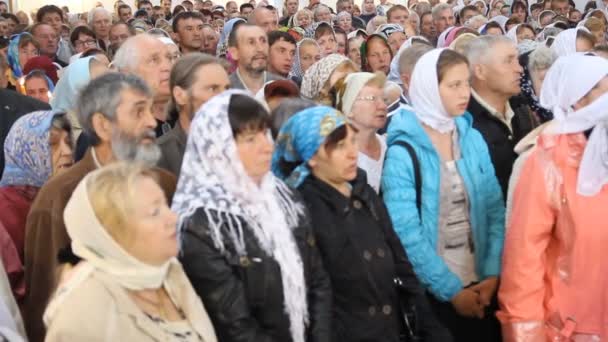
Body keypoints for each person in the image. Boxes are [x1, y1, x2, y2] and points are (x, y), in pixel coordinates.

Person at [22, 73, 178, 342]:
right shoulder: (59, 198)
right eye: (139, 112)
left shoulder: (163, 183)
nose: (152, 121)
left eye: (150, 110)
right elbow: (45, 303)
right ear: (103, 125)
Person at [174, 90, 332, 342]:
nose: (266, 145)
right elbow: (233, 322)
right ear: (218, 150)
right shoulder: (202, 225)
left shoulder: (285, 197)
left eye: (265, 133)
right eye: (250, 139)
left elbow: (318, 279)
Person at [382, 48, 505, 341]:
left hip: (484, 286)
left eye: (466, 83)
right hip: (436, 295)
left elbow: (494, 208)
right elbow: (406, 233)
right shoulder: (403, 151)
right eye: (453, 85)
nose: (465, 93)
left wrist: (491, 273)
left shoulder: (471, 137)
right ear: (429, 89)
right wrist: (451, 292)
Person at [498, 53, 608, 342]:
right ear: (577, 98)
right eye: (601, 86)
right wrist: (524, 334)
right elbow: (523, 260)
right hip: (573, 328)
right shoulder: (546, 162)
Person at [43, 163, 218, 342]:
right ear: (113, 235)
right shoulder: (82, 314)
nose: (173, 218)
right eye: (154, 212)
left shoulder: (168, 273)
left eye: (165, 204)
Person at [0, 111, 72, 300]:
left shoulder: (67, 196)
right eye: (52, 144)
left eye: (68, 142)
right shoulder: (5, 208)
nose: (67, 152)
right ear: (26, 150)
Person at [465, 36, 536, 197]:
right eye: (508, 61)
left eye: (517, 61)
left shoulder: (523, 109)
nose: (519, 69)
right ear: (480, 71)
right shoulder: (465, 123)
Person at [158, 53, 230, 177]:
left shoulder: (242, 146)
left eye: (227, 89)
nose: (225, 97)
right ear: (180, 95)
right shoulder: (159, 157)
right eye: (213, 89)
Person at [329, 72, 386, 192]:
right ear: (349, 109)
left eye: (384, 99)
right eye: (372, 99)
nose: (382, 106)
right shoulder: (339, 158)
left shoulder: (389, 146)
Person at [113, 34, 174, 137]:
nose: (167, 66)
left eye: (169, 58)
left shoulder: (190, 115)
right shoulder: (115, 131)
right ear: (128, 73)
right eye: (154, 60)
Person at [51, 56, 109, 138]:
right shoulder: (62, 137)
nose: (109, 90)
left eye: (109, 80)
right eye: (99, 85)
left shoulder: (116, 118)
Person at [228, 24, 282, 94]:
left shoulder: (283, 88)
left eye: (263, 41)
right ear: (234, 53)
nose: (260, 49)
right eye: (251, 42)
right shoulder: (223, 91)